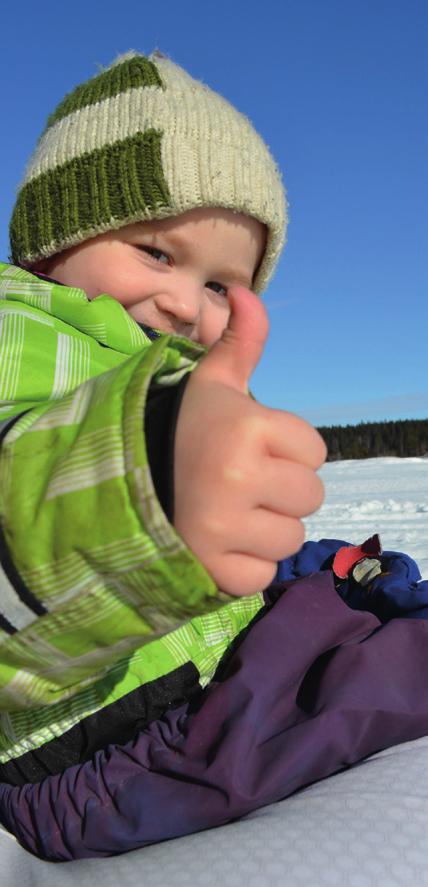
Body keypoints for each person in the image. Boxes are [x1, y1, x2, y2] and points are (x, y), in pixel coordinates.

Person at [0, 50, 325, 787]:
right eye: (154, 252)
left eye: (219, 284)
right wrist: (145, 479)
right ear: (54, 240)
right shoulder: (18, 332)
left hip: (187, 702)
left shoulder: (182, 375)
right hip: (83, 750)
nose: (185, 303)